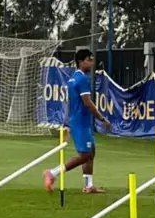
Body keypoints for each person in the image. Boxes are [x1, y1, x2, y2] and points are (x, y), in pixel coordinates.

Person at [43, 49, 110, 194]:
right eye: (89, 60)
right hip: (81, 122)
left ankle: (88, 185)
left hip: (79, 120)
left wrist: (67, 123)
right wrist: (102, 119)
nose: (92, 63)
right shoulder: (82, 79)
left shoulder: (73, 78)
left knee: (90, 152)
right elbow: (87, 102)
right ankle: (53, 173)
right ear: (81, 61)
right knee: (85, 155)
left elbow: (70, 102)